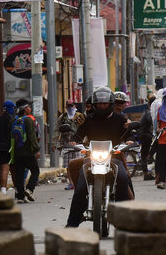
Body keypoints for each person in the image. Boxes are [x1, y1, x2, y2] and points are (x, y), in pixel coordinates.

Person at [66, 87, 132, 227]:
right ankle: (72, 223)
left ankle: (122, 217)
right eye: (99, 104)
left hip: (114, 157)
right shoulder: (88, 120)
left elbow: (128, 134)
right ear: (95, 105)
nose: (102, 106)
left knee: (123, 178)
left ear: (110, 104)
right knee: (80, 188)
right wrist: (73, 141)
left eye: (105, 104)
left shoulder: (120, 119)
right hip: (91, 158)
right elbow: (78, 134)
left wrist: (129, 141)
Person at [10, 99, 40, 203]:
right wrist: (36, 150)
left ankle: (20, 196)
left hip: (17, 152)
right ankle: (29, 189)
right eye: (28, 107)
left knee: (19, 174)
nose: (30, 109)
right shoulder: (28, 120)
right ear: (24, 109)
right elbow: (32, 137)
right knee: (35, 170)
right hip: (28, 152)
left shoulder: (15, 120)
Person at [53, 100, 85, 189]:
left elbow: (85, 129)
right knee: (68, 165)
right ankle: (71, 182)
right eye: (68, 106)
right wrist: (54, 143)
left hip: (79, 144)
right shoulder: (63, 117)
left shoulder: (80, 116)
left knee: (80, 163)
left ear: (75, 106)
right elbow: (57, 130)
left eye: (72, 106)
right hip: (66, 144)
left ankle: (80, 181)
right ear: (66, 107)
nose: (70, 108)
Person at [0, 101, 16, 194]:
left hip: (0, 146)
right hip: (10, 147)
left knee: (2, 168)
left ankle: (2, 189)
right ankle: (13, 189)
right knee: (10, 168)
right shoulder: (12, 119)